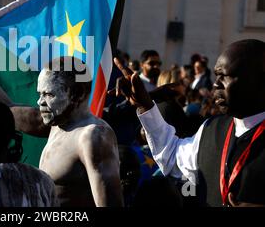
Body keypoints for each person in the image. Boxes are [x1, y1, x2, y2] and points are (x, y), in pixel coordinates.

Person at [0, 21, 123, 207]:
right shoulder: (55, 125)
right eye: (40, 94)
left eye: (49, 94)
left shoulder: (93, 136)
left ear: (78, 94)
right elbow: (2, 109)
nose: (40, 101)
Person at [113, 39, 265, 207]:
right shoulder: (210, 129)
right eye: (216, 75)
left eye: (224, 76)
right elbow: (172, 157)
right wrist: (145, 106)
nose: (215, 84)